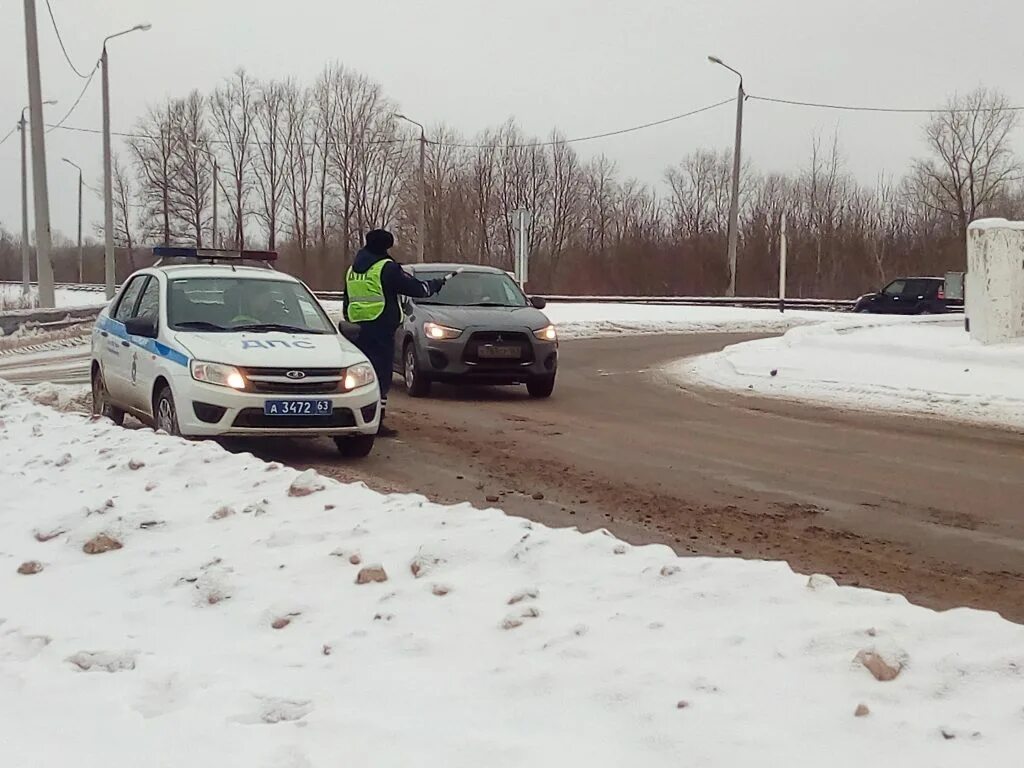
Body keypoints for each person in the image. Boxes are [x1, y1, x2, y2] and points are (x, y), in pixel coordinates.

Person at [344, 229, 445, 437]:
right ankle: (376, 420)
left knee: (360, 375)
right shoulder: (386, 268)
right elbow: (415, 289)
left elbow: (346, 300)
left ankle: (355, 415)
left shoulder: (352, 270)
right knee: (380, 376)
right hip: (380, 327)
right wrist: (434, 285)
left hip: (355, 329)